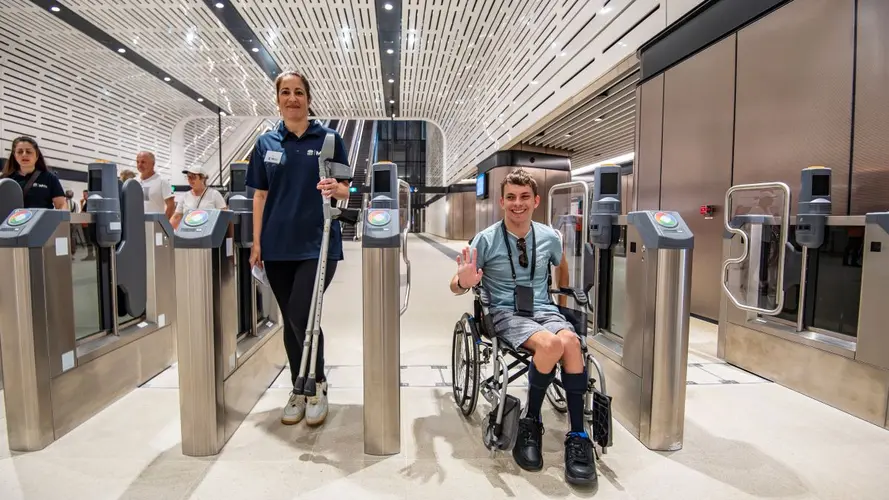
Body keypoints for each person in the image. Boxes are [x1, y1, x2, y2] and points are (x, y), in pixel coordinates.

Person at [449, 168, 596, 486]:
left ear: (536, 201)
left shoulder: (547, 236)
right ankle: (531, 422)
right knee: (550, 345)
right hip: (504, 314)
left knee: (569, 341)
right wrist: (464, 280)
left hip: (543, 310)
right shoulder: (486, 240)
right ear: (501, 201)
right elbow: (456, 285)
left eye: (524, 197)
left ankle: (577, 436)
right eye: (511, 198)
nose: (518, 204)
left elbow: (561, 265)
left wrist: (563, 300)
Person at [246, 70, 351, 427]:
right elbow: (260, 196)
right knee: (291, 323)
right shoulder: (265, 144)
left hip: (317, 245)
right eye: (286, 93)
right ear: (277, 99)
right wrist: (257, 241)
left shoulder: (330, 139)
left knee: (303, 315)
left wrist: (334, 188)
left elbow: (346, 191)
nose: (292, 98)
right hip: (276, 247)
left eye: (299, 92)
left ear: (308, 98)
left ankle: (316, 384)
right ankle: (298, 388)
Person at [1, 136, 66, 210]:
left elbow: (61, 205)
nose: (24, 154)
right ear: (14, 156)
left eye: (28, 151)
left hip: (43, 221)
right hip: (12, 221)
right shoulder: (5, 179)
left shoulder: (50, 178)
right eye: (20, 152)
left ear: (37, 155)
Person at [135, 151, 175, 218]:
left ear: (153, 164)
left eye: (143, 162)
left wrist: (163, 224)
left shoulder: (162, 181)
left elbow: (171, 206)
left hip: (155, 226)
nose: (139, 165)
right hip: (136, 224)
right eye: (137, 162)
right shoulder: (134, 181)